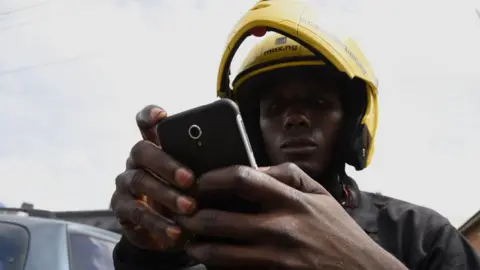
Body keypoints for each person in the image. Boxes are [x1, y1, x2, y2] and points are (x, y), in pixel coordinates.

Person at [110, 1, 480, 269]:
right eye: (274, 109)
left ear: (352, 123)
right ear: (252, 132)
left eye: (317, 102)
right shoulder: (210, 235)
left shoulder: (423, 236)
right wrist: (148, 254)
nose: (295, 119)